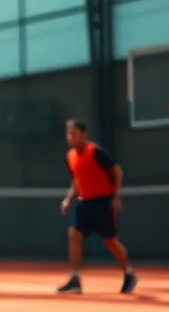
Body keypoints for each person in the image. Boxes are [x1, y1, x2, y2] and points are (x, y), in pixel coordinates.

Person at [58, 118, 137, 294]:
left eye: (74, 133)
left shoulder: (96, 152)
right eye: (68, 133)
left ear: (83, 134)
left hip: (103, 202)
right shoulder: (70, 157)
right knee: (73, 234)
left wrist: (115, 197)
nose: (70, 137)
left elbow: (117, 171)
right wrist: (68, 199)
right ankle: (75, 278)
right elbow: (76, 180)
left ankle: (128, 273)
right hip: (84, 202)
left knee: (110, 242)